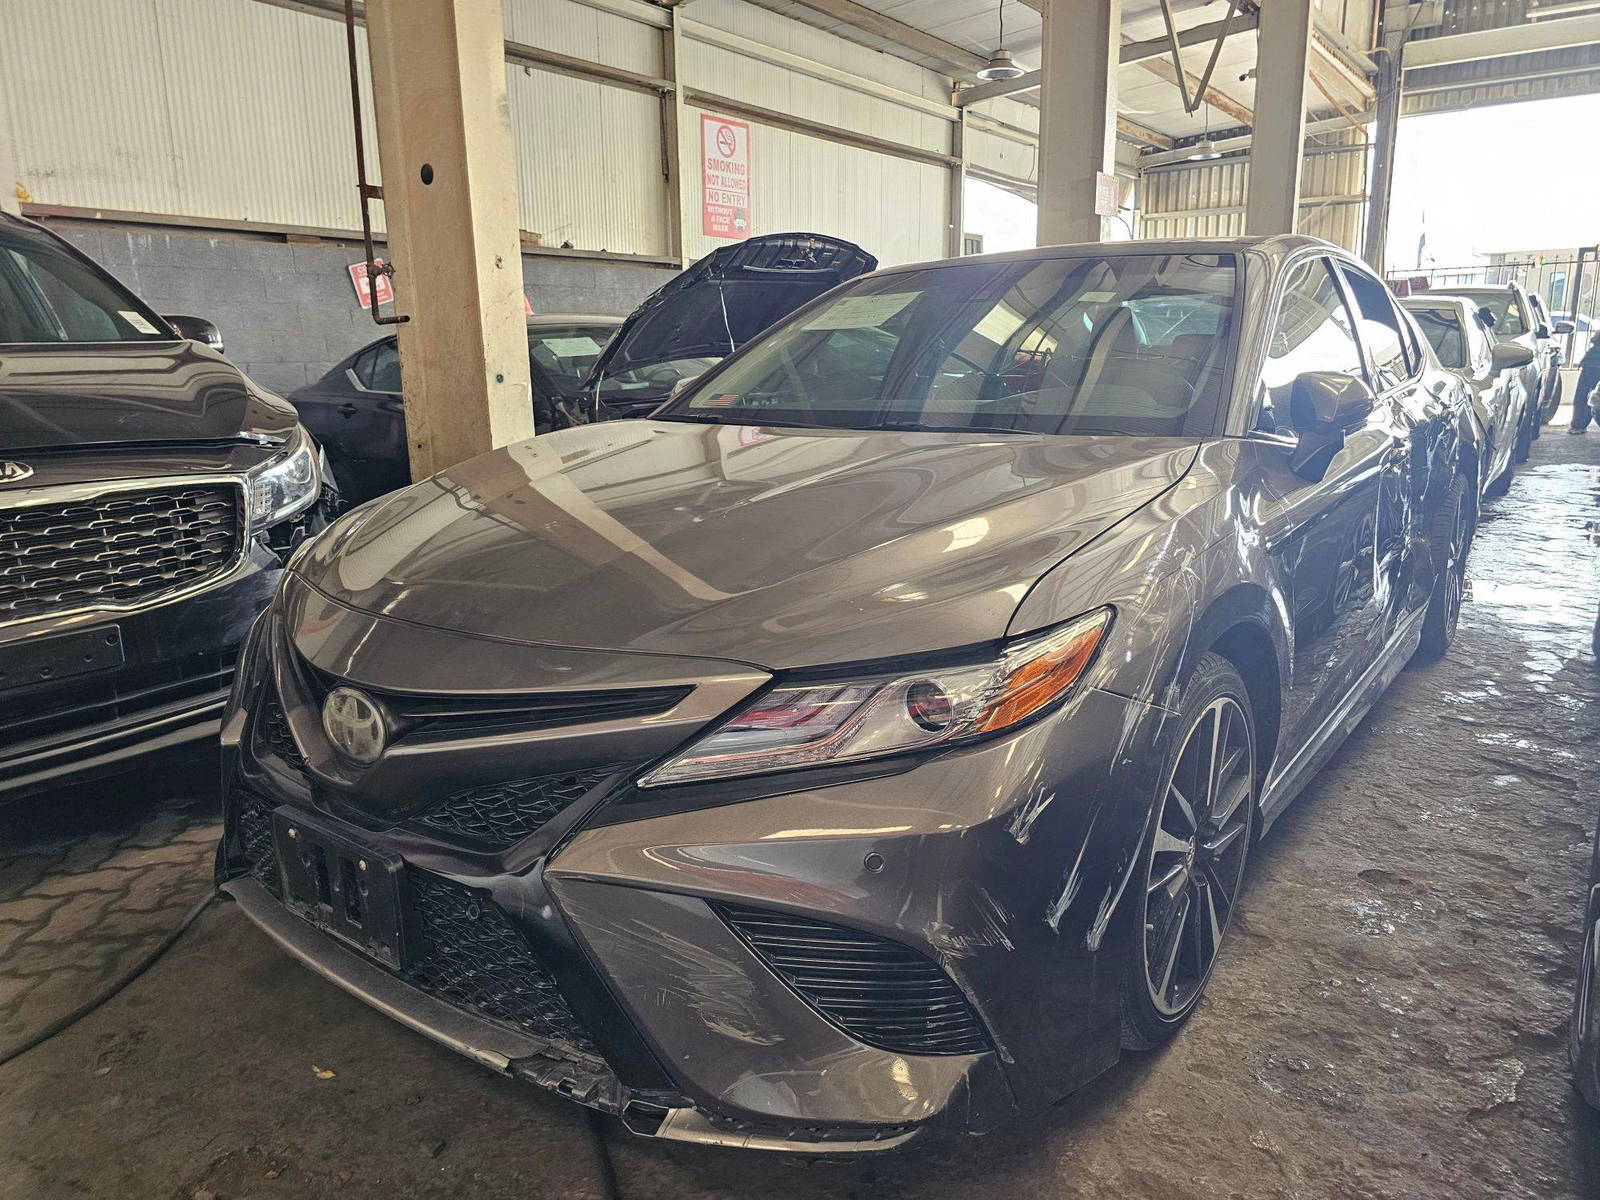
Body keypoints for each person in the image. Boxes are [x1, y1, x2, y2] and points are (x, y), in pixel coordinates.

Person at [1569, 334, 1600, 433]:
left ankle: (1579, 424)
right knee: (1586, 394)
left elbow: (1594, 339)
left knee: (1585, 393)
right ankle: (1578, 424)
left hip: (1593, 362)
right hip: (1594, 362)